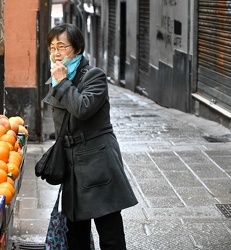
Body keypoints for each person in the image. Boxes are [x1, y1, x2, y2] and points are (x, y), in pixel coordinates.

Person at [43, 23, 138, 250]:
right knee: (76, 235)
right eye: (52, 47)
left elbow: (83, 108)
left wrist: (63, 83)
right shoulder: (58, 79)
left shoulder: (94, 76)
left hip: (98, 163)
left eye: (61, 47)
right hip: (73, 166)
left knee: (110, 233)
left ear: (76, 48)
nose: (55, 52)